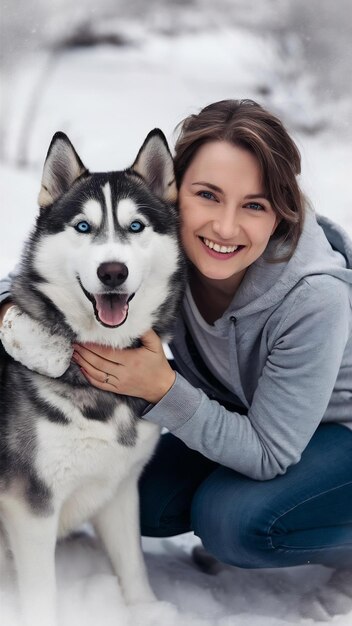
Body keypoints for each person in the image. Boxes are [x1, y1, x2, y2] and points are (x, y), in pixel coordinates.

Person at [1, 99, 352, 570]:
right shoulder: (158, 248)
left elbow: (269, 451)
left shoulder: (315, 297)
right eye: (207, 195)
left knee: (237, 522)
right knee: (137, 495)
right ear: (172, 191)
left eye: (254, 205)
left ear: (281, 213)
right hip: (242, 415)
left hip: (331, 433)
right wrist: (11, 312)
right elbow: (47, 268)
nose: (224, 227)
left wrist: (161, 389)